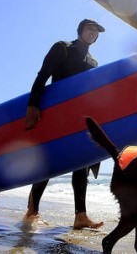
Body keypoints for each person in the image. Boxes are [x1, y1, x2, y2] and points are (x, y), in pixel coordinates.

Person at [23, 19, 106, 229]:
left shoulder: (94, 61)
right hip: (57, 115)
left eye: (96, 31)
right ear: (80, 30)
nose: (93, 32)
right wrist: (33, 105)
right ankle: (32, 212)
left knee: (82, 164)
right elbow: (43, 75)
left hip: (81, 117)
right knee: (48, 162)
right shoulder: (63, 48)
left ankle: (81, 216)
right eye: (90, 28)